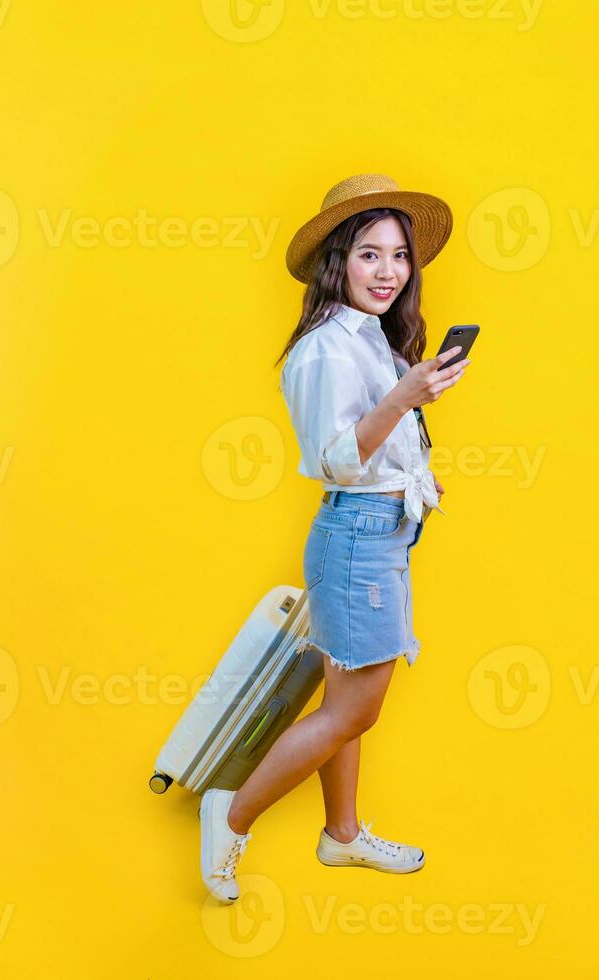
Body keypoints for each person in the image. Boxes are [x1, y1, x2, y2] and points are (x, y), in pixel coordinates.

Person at [198, 174, 469, 902]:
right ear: (336, 263)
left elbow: (375, 452)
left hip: (380, 530)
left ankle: (340, 836)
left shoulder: (375, 341)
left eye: (399, 257)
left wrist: (415, 475)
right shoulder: (324, 349)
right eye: (368, 256)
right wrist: (404, 397)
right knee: (357, 708)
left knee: (345, 693)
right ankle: (232, 812)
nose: (387, 273)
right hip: (356, 540)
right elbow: (334, 458)